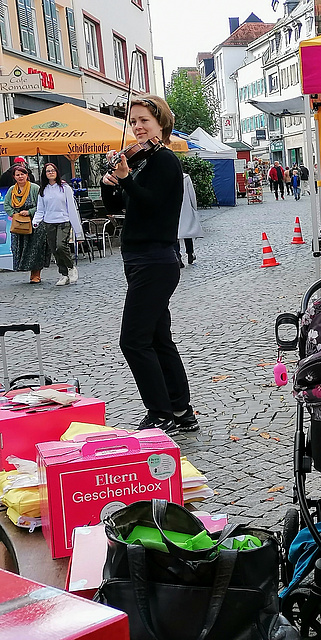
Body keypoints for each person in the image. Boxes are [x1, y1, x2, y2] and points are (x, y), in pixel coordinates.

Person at [101, 94, 197, 434]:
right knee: (158, 338)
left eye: (144, 121)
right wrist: (110, 185)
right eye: (133, 121)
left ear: (161, 124)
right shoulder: (142, 161)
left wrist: (127, 180)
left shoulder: (165, 160)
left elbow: (153, 205)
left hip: (155, 260)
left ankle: (160, 413)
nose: (137, 127)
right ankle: (181, 410)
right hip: (141, 259)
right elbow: (122, 208)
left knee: (133, 340)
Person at [33, 162, 83, 286]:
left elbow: (71, 207)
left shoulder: (65, 188)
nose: (51, 173)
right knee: (54, 249)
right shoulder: (43, 190)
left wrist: (78, 230)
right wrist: (36, 221)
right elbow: (40, 209)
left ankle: (71, 267)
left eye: (53, 170)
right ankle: (63, 274)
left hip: (63, 220)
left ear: (57, 172)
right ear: (45, 174)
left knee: (61, 245)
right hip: (49, 222)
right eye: (48, 171)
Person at [5, 164, 47, 283]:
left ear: (27, 175)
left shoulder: (34, 188)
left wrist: (29, 212)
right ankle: (25, 268)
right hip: (19, 224)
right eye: (18, 175)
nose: (20, 177)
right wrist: (14, 214)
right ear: (14, 177)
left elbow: (40, 204)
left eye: (22, 174)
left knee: (35, 248)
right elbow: (7, 204)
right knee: (19, 248)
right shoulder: (11, 190)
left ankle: (36, 274)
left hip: (34, 223)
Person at [176, 172, 202, 267]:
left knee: (176, 234)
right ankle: (190, 252)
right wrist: (194, 209)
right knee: (188, 231)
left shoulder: (166, 175)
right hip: (186, 208)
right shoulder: (185, 177)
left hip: (173, 209)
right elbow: (192, 194)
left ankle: (177, 256)